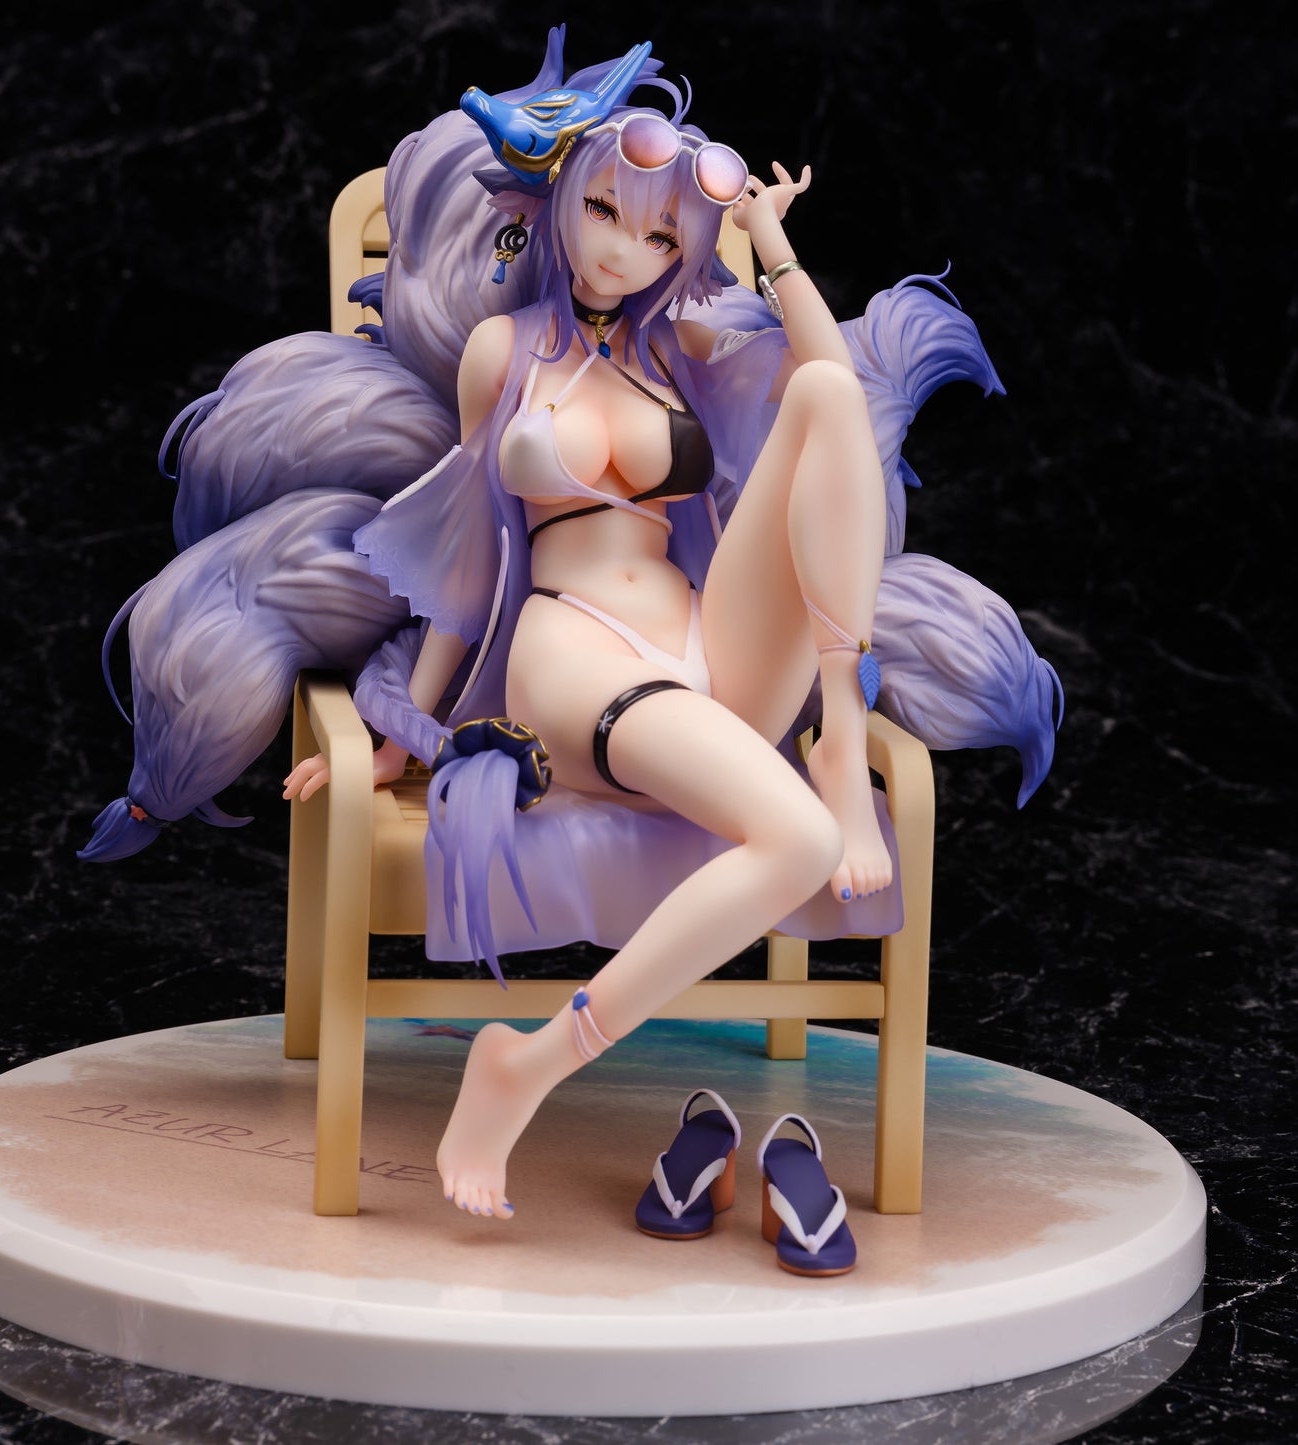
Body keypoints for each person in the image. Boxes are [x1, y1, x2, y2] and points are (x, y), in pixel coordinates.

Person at [284, 46, 901, 1220]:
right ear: (563, 201)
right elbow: (469, 553)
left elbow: (836, 388)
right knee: (796, 840)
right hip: (576, 653)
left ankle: (836, 730)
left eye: (659, 236)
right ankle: (526, 1063)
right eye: (605, 212)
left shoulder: (681, 348)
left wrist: (766, 242)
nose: (622, 250)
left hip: (710, 649)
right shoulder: (502, 354)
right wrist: (406, 723)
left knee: (825, 396)